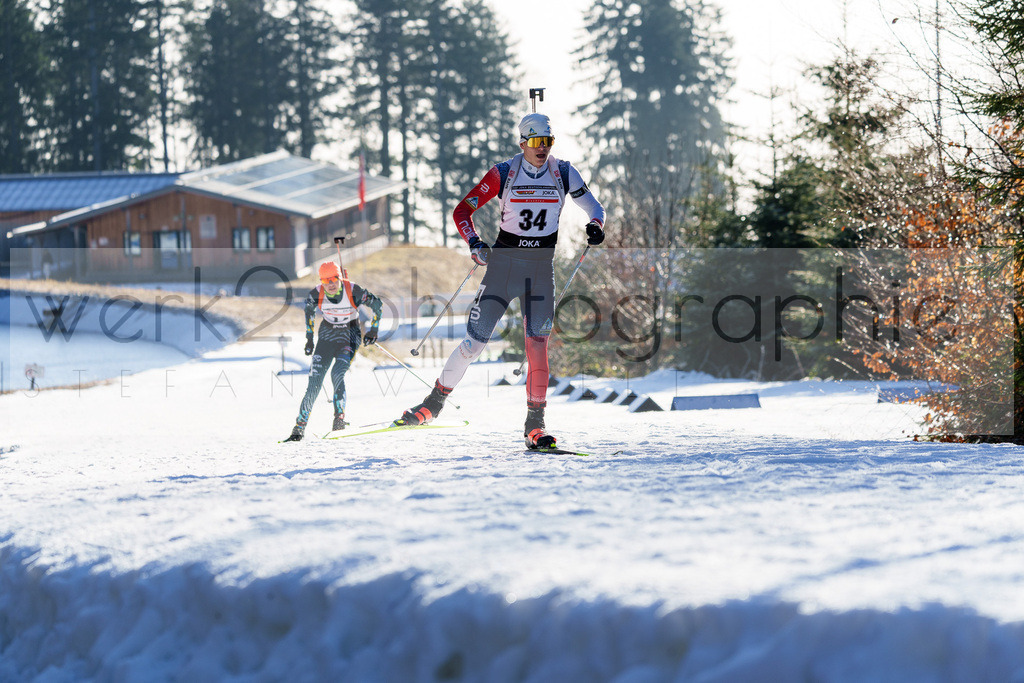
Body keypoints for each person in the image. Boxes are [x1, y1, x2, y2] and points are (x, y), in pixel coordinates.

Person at [393, 112, 606, 449]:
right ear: (522, 143)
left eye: (548, 141)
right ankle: (432, 404)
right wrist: (475, 243)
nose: (543, 148)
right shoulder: (503, 173)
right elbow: (462, 211)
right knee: (473, 344)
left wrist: (595, 225)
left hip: (540, 272)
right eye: (536, 142)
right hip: (503, 270)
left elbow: (595, 207)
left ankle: (535, 425)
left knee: (538, 346)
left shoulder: (564, 172)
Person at [284, 261, 383, 442]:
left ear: (339, 277)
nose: (330, 284)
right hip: (327, 336)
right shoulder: (316, 293)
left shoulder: (353, 290)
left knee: (337, 373)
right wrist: (309, 338)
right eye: (325, 280)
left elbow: (377, 304)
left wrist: (373, 330)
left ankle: (339, 420)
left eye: (333, 279)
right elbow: (309, 311)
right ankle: (299, 429)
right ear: (321, 281)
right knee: (314, 381)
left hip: (349, 335)